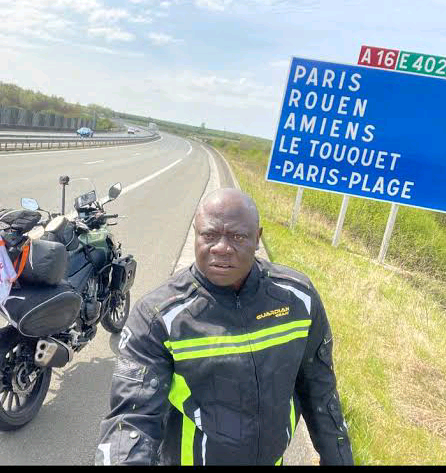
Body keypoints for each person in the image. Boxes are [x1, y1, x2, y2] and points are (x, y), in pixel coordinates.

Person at [95, 188, 353, 465]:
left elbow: (319, 388)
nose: (221, 248)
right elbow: (131, 420)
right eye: (209, 235)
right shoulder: (158, 316)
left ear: (258, 238)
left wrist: (338, 457)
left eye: (237, 236)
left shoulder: (299, 299)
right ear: (196, 234)